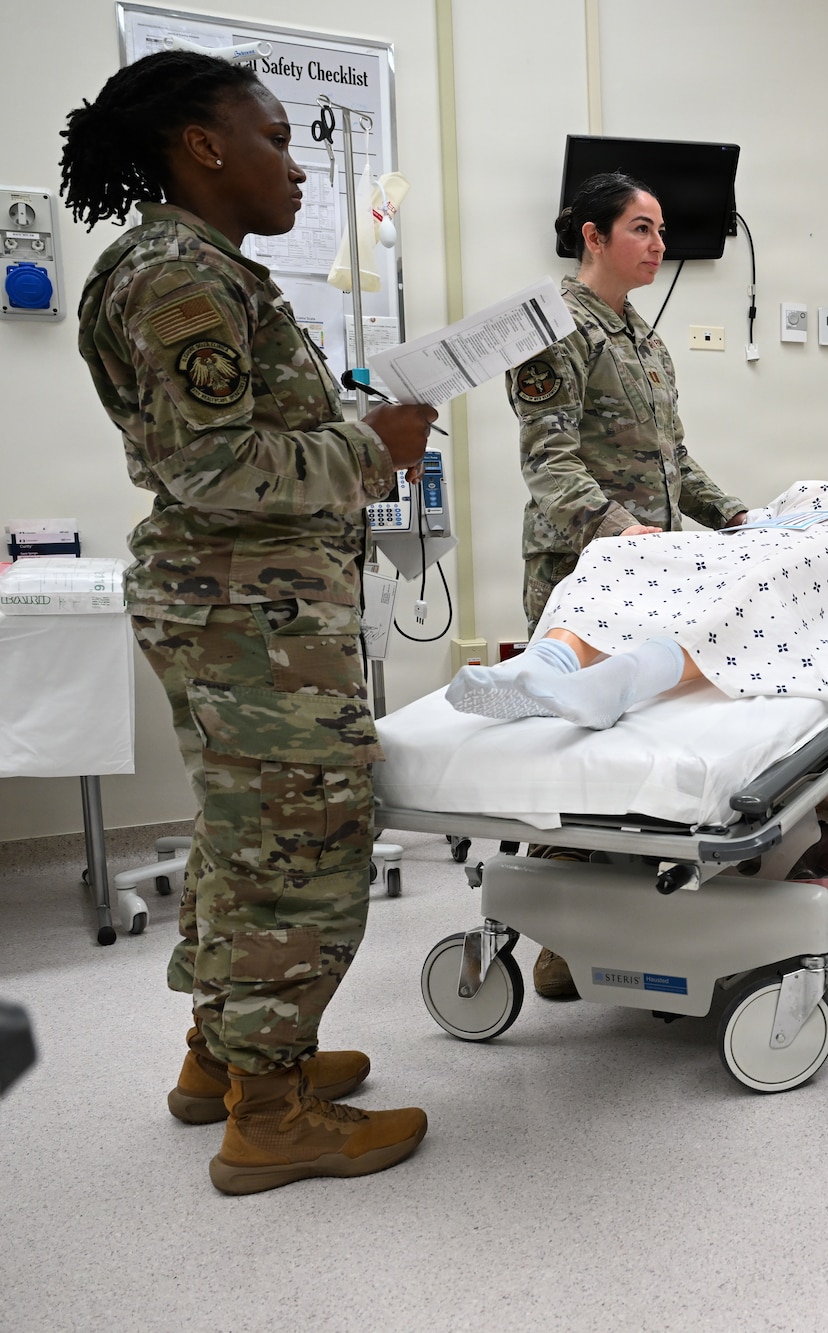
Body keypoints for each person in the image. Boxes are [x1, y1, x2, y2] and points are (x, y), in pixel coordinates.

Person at [62, 50, 437, 1193]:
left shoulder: (203, 270)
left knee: (244, 838)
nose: (295, 169)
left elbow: (237, 440)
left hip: (245, 609)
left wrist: (350, 420)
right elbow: (218, 467)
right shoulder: (179, 278)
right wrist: (376, 451)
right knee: (303, 849)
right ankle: (268, 1116)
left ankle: (219, 1061)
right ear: (203, 145)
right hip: (251, 616)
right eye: (275, 140)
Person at [507, 171, 749, 999]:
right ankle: (551, 937)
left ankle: (612, 925)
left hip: (649, 572)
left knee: (627, 752)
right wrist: (621, 532)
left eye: (660, 229)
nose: (659, 244)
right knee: (574, 759)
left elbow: (675, 462)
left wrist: (735, 516)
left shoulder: (643, 339)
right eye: (641, 229)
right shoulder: (552, 329)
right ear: (593, 238)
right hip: (581, 573)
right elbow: (551, 465)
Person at [445, 451, 828, 729]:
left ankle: (626, 679)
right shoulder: (819, 487)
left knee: (756, 588)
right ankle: (549, 664)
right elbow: (762, 519)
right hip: (759, 541)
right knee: (622, 553)